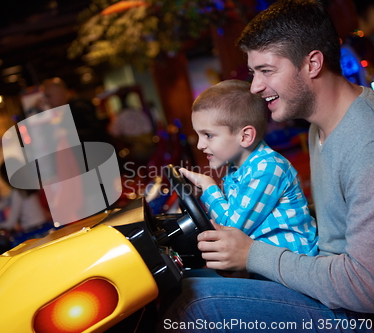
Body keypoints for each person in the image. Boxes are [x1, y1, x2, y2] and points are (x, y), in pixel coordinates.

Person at [159, 0, 374, 331]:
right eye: (253, 73)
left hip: (355, 314)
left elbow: (364, 288)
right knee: (178, 280)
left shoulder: (365, 144)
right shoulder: (321, 126)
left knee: (192, 302)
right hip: (328, 285)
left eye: (267, 71)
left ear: (312, 63)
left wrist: (252, 254)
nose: (256, 87)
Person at [180, 79, 317, 255]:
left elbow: (231, 230)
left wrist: (208, 186)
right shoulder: (237, 168)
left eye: (208, 135)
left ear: (245, 136)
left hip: (293, 265)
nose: (200, 145)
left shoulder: (267, 168)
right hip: (262, 262)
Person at [0, 162, 49, 232]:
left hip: (34, 230)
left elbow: (10, 223)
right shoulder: (26, 187)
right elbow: (4, 203)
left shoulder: (17, 192)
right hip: (43, 225)